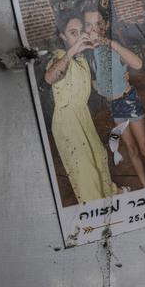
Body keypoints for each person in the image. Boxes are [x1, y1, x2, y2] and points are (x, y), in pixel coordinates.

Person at [82, 0, 145, 189]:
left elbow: (138, 64)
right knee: (132, 150)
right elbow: (96, 82)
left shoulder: (114, 45)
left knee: (144, 147)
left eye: (98, 24)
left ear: (106, 25)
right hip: (115, 106)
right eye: (89, 25)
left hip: (129, 102)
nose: (94, 29)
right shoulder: (88, 53)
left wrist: (109, 42)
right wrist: (97, 86)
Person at [43, 11, 118, 204]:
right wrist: (72, 51)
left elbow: (91, 88)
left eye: (80, 31)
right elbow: (50, 77)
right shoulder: (60, 57)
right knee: (86, 172)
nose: (78, 36)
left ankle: (111, 203)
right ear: (62, 36)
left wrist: (118, 84)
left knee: (99, 158)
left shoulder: (82, 60)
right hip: (67, 121)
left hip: (82, 116)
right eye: (72, 33)